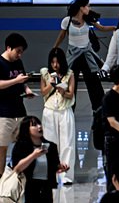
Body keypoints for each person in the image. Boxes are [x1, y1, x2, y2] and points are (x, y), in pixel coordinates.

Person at [54, 0, 115, 111]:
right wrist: (55, 48)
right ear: (81, 7)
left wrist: (115, 28)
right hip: (73, 55)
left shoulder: (88, 19)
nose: (89, 8)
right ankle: (68, 109)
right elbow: (62, 35)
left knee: (94, 83)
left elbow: (101, 28)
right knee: (70, 81)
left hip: (87, 55)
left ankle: (99, 110)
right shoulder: (67, 20)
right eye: (88, 6)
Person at [10, 116, 69, 203]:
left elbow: (54, 166)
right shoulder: (21, 146)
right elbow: (17, 169)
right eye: (34, 125)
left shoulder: (51, 146)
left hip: (46, 187)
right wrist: (33, 155)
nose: (39, 126)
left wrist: (61, 167)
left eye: (39, 123)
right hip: (28, 186)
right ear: (26, 129)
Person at [39, 47, 75, 184]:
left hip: (65, 110)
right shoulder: (45, 73)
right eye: (53, 62)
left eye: (58, 62)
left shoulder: (69, 74)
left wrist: (62, 90)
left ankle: (66, 176)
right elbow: (43, 92)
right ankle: (50, 174)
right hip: (49, 110)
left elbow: (71, 94)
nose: (55, 65)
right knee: (48, 143)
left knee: (67, 143)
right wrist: (51, 84)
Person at [0, 33, 32, 174]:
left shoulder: (18, 62)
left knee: (24, 144)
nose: (19, 55)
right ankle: (1, 178)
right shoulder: (1, 63)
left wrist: (27, 89)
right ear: (9, 48)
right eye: (17, 51)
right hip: (4, 113)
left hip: (19, 110)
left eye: (21, 52)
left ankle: (19, 174)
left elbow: (22, 80)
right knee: (2, 148)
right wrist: (15, 81)